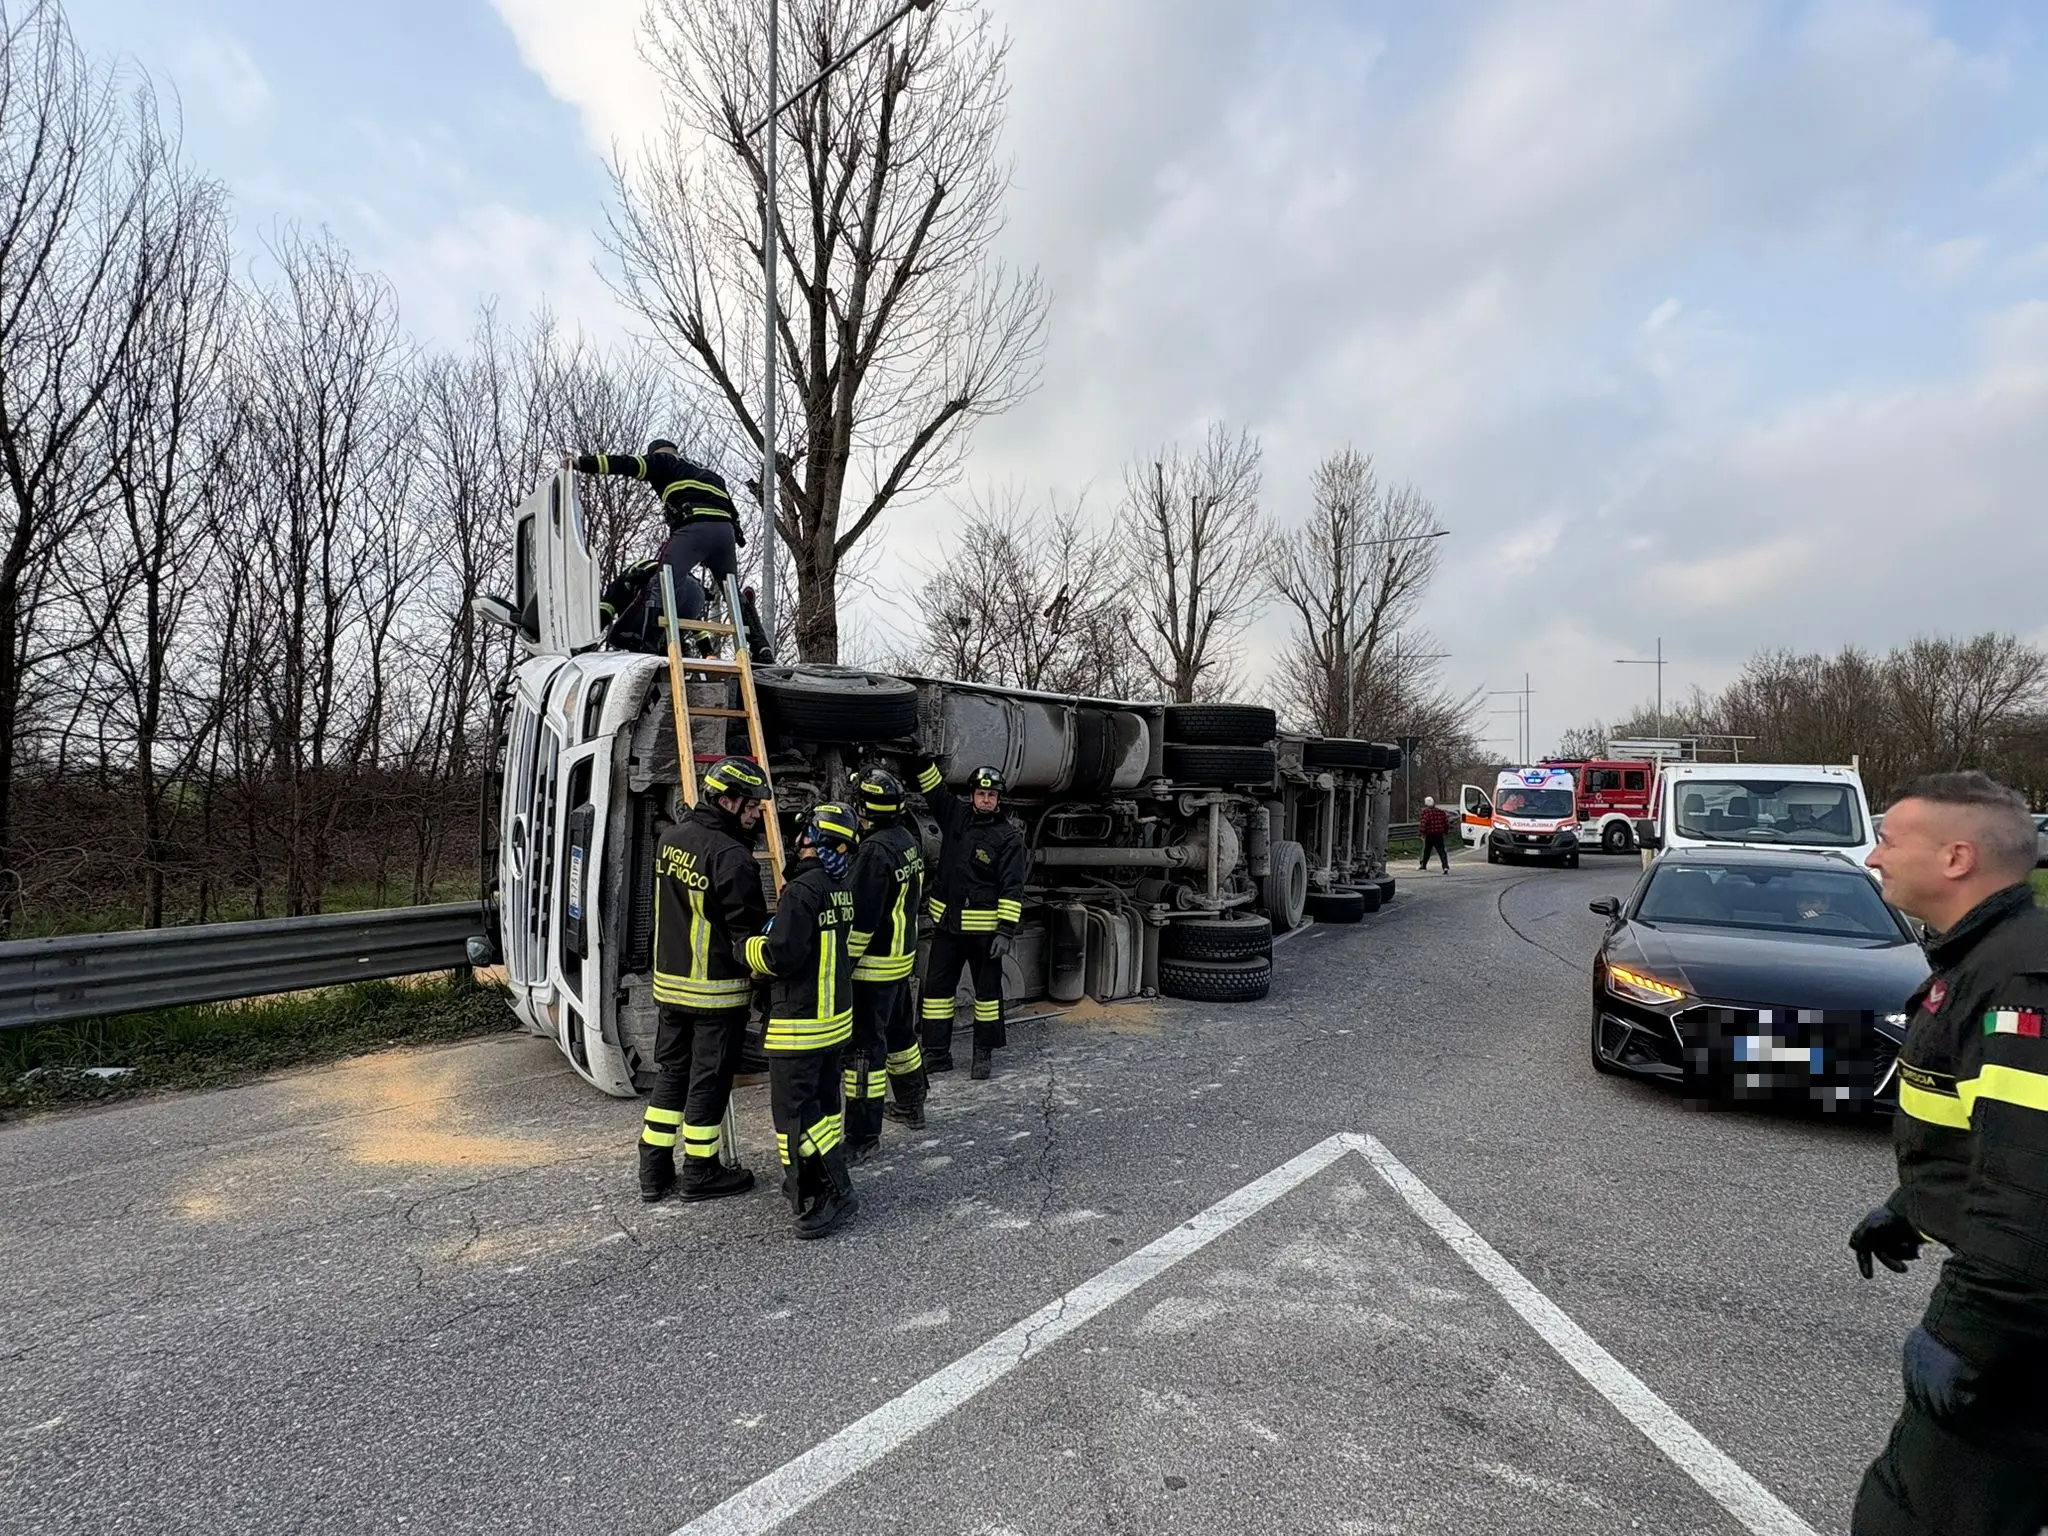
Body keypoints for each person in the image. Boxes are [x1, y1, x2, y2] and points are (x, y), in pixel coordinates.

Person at [1850, 771, 2048, 1536]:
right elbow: (1983, 1126)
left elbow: (2033, 1180)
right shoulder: (1985, 959)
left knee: (1914, 1517)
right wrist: (1915, 1205)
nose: (1873, 857)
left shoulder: (2020, 979)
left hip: (2021, 1332)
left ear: (1956, 858)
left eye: (1888, 840)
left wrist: (1970, 1332)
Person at [639, 756, 772, 1204]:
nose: (756, 815)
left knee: (673, 1074)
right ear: (727, 800)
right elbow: (746, 936)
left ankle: (653, 1170)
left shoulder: (672, 838)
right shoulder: (732, 857)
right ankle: (700, 1171)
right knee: (709, 1081)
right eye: (751, 806)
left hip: (670, 985)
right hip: (715, 991)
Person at [744, 801, 862, 1239]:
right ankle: (811, 1179)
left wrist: (746, 948)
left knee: (796, 1114)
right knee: (825, 1108)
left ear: (811, 839)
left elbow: (782, 956)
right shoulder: (839, 887)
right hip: (833, 1021)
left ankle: (836, 1191)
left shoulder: (800, 891)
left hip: (799, 1025)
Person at [565, 440, 768, 654]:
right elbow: (733, 512)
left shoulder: (664, 461)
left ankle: (649, 643)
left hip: (693, 528)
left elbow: (627, 463)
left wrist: (583, 463)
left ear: (656, 453)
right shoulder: (712, 475)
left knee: (663, 581)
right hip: (724, 534)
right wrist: (738, 536)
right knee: (731, 591)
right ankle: (761, 647)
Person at [911, 759, 1027, 1080]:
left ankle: (982, 1054)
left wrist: (1005, 931)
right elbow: (935, 791)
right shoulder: (956, 815)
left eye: (991, 795)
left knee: (987, 996)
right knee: (936, 993)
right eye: (980, 794)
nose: (985, 799)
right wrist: (921, 759)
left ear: (998, 798)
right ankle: (936, 1053)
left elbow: (1013, 887)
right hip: (947, 928)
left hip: (985, 935)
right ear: (973, 795)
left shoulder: (1008, 838)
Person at [844, 767, 929, 1152]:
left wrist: (842, 966)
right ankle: (911, 1103)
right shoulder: (906, 839)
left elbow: (861, 921)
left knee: (865, 1052)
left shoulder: (874, 852)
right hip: (899, 961)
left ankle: (863, 1136)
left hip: (872, 968)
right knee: (901, 1038)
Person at [1417, 797, 1452, 873]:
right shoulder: (1441, 812)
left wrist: (1421, 833)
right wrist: (1445, 832)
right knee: (1441, 851)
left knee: (1427, 851)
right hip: (1439, 834)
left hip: (1430, 835)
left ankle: (1423, 865)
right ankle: (1445, 866)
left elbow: (1423, 823)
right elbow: (1446, 823)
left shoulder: (1426, 812)